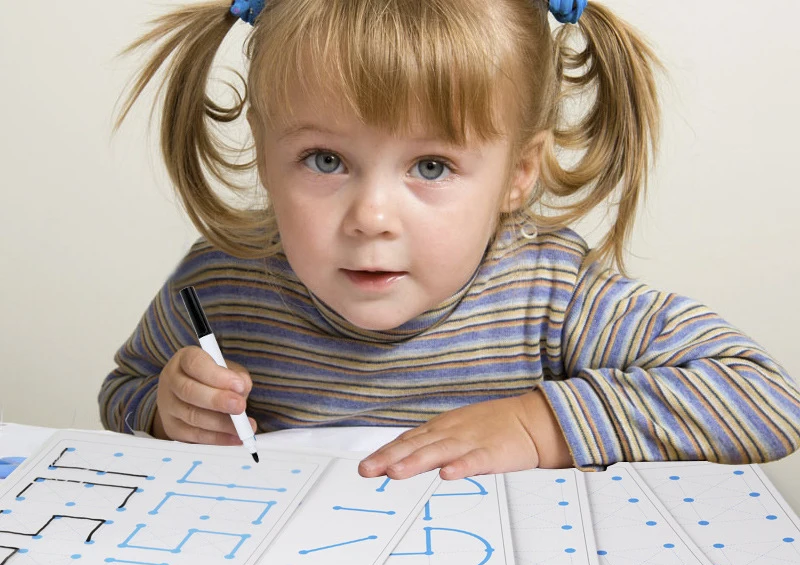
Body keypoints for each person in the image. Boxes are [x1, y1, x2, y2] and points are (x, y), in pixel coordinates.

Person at [100, 0, 800, 481]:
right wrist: (165, 411)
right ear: (263, 152)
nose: (371, 216)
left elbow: (766, 400)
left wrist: (539, 427)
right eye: (325, 160)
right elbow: (124, 391)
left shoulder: (552, 297)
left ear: (517, 175)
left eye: (431, 167)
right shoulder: (224, 284)